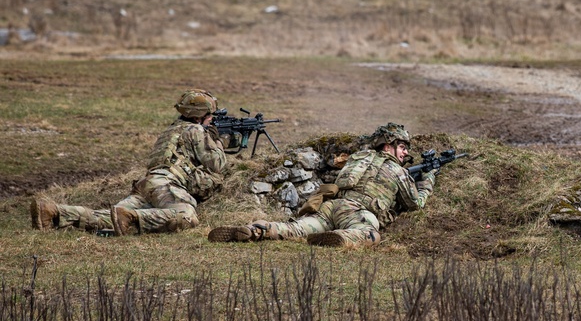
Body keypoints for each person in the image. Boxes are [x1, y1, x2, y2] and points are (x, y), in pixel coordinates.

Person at [30, 89, 229, 236]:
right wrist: (215, 138)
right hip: (167, 185)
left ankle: (54, 212)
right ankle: (134, 218)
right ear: (201, 115)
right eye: (210, 115)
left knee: (111, 218)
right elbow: (217, 164)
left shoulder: (171, 130)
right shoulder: (196, 131)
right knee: (187, 216)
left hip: (146, 184)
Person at [207, 122, 434, 247]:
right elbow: (415, 203)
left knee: (296, 228)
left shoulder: (359, 157)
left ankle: (258, 229)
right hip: (357, 214)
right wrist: (428, 180)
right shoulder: (397, 170)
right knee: (370, 235)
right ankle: (342, 237)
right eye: (403, 147)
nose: (405, 153)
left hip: (331, 206)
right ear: (388, 146)